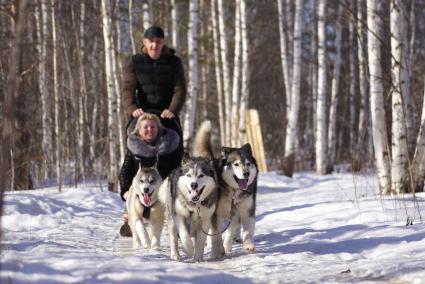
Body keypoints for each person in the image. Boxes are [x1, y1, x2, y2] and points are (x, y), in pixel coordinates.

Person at [119, 26, 186, 236]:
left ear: (163, 42)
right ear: (145, 43)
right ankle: (130, 214)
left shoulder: (174, 62)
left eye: (158, 41)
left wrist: (172, 110)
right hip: (142, 117)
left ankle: (180, 211)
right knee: (135, 162)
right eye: (151, 41)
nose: (155, 45)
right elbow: (128, 90)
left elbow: (180, 89)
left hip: (167, 117)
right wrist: (133, 110)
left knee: (174, 161)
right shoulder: (134, 62)